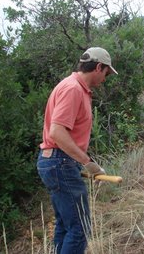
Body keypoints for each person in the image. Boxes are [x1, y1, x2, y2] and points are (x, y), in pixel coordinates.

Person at [36, 47, 118, 253]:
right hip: (60, 163)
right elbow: (56, 132)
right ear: (98, 67)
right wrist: (87, 162)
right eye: (106, 73)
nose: (106, 79)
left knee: (66, 225)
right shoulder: (73, 89)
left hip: (56, 162)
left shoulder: (74, 87)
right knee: (80, 228)